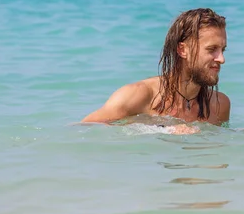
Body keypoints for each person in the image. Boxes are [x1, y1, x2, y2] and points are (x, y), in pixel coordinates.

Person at [82, 8, 230, 133]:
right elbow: (83, 129)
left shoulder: (219, 105)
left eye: (222, 50)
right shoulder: (140, 95)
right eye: (212, 49)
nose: (221, 59)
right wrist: (162, 130)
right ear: (183, 50)